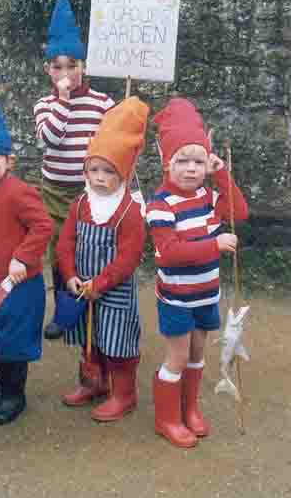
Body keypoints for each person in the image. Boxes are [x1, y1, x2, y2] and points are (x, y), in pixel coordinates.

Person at [146, 98, 249, 448]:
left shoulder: (207, 193)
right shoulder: (160, 204)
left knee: (197, 353)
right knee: (176, 356)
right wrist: (215, 244)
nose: (191, 169)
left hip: (206, 294)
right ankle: (167, 419)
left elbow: (240, 211)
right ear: (166, 163)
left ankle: (190, 409)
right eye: (182, 161)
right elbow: (170, 253)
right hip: (176, 298)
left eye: (198, 161)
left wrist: (220, 173)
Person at [0, 68, 53, 425]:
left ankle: (15, 396)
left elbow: (43, 225)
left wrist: (23, 257)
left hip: (20, 285)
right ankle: (2, 390)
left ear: (8, 162)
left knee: (15, 341)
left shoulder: (19, 192)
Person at [56, 97, 148, 420]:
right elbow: (65, 242)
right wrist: (70, 275)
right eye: (93, 169)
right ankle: (94, 382)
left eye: (108, 171)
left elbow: (129, 257)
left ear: (122, 172)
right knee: (90, 339)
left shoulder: (129, 212)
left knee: (117, 343)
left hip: (115, 291)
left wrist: (102, 282)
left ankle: (124, 394)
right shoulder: (80, 204)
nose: (98, 177)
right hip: (83, 286)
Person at [34, 0, 115, 340]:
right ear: (48, 69)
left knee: (90, 246)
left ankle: (92, 302)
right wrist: (63, 100)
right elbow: (50, 139)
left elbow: (113, 148)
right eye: (58, 66)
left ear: (84, 65)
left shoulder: (102, 103)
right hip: (53, 189)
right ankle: (64, 309)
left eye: (73, 65)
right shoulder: (44, 105)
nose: (66, 71)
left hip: (90, 191)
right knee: (59, 249)